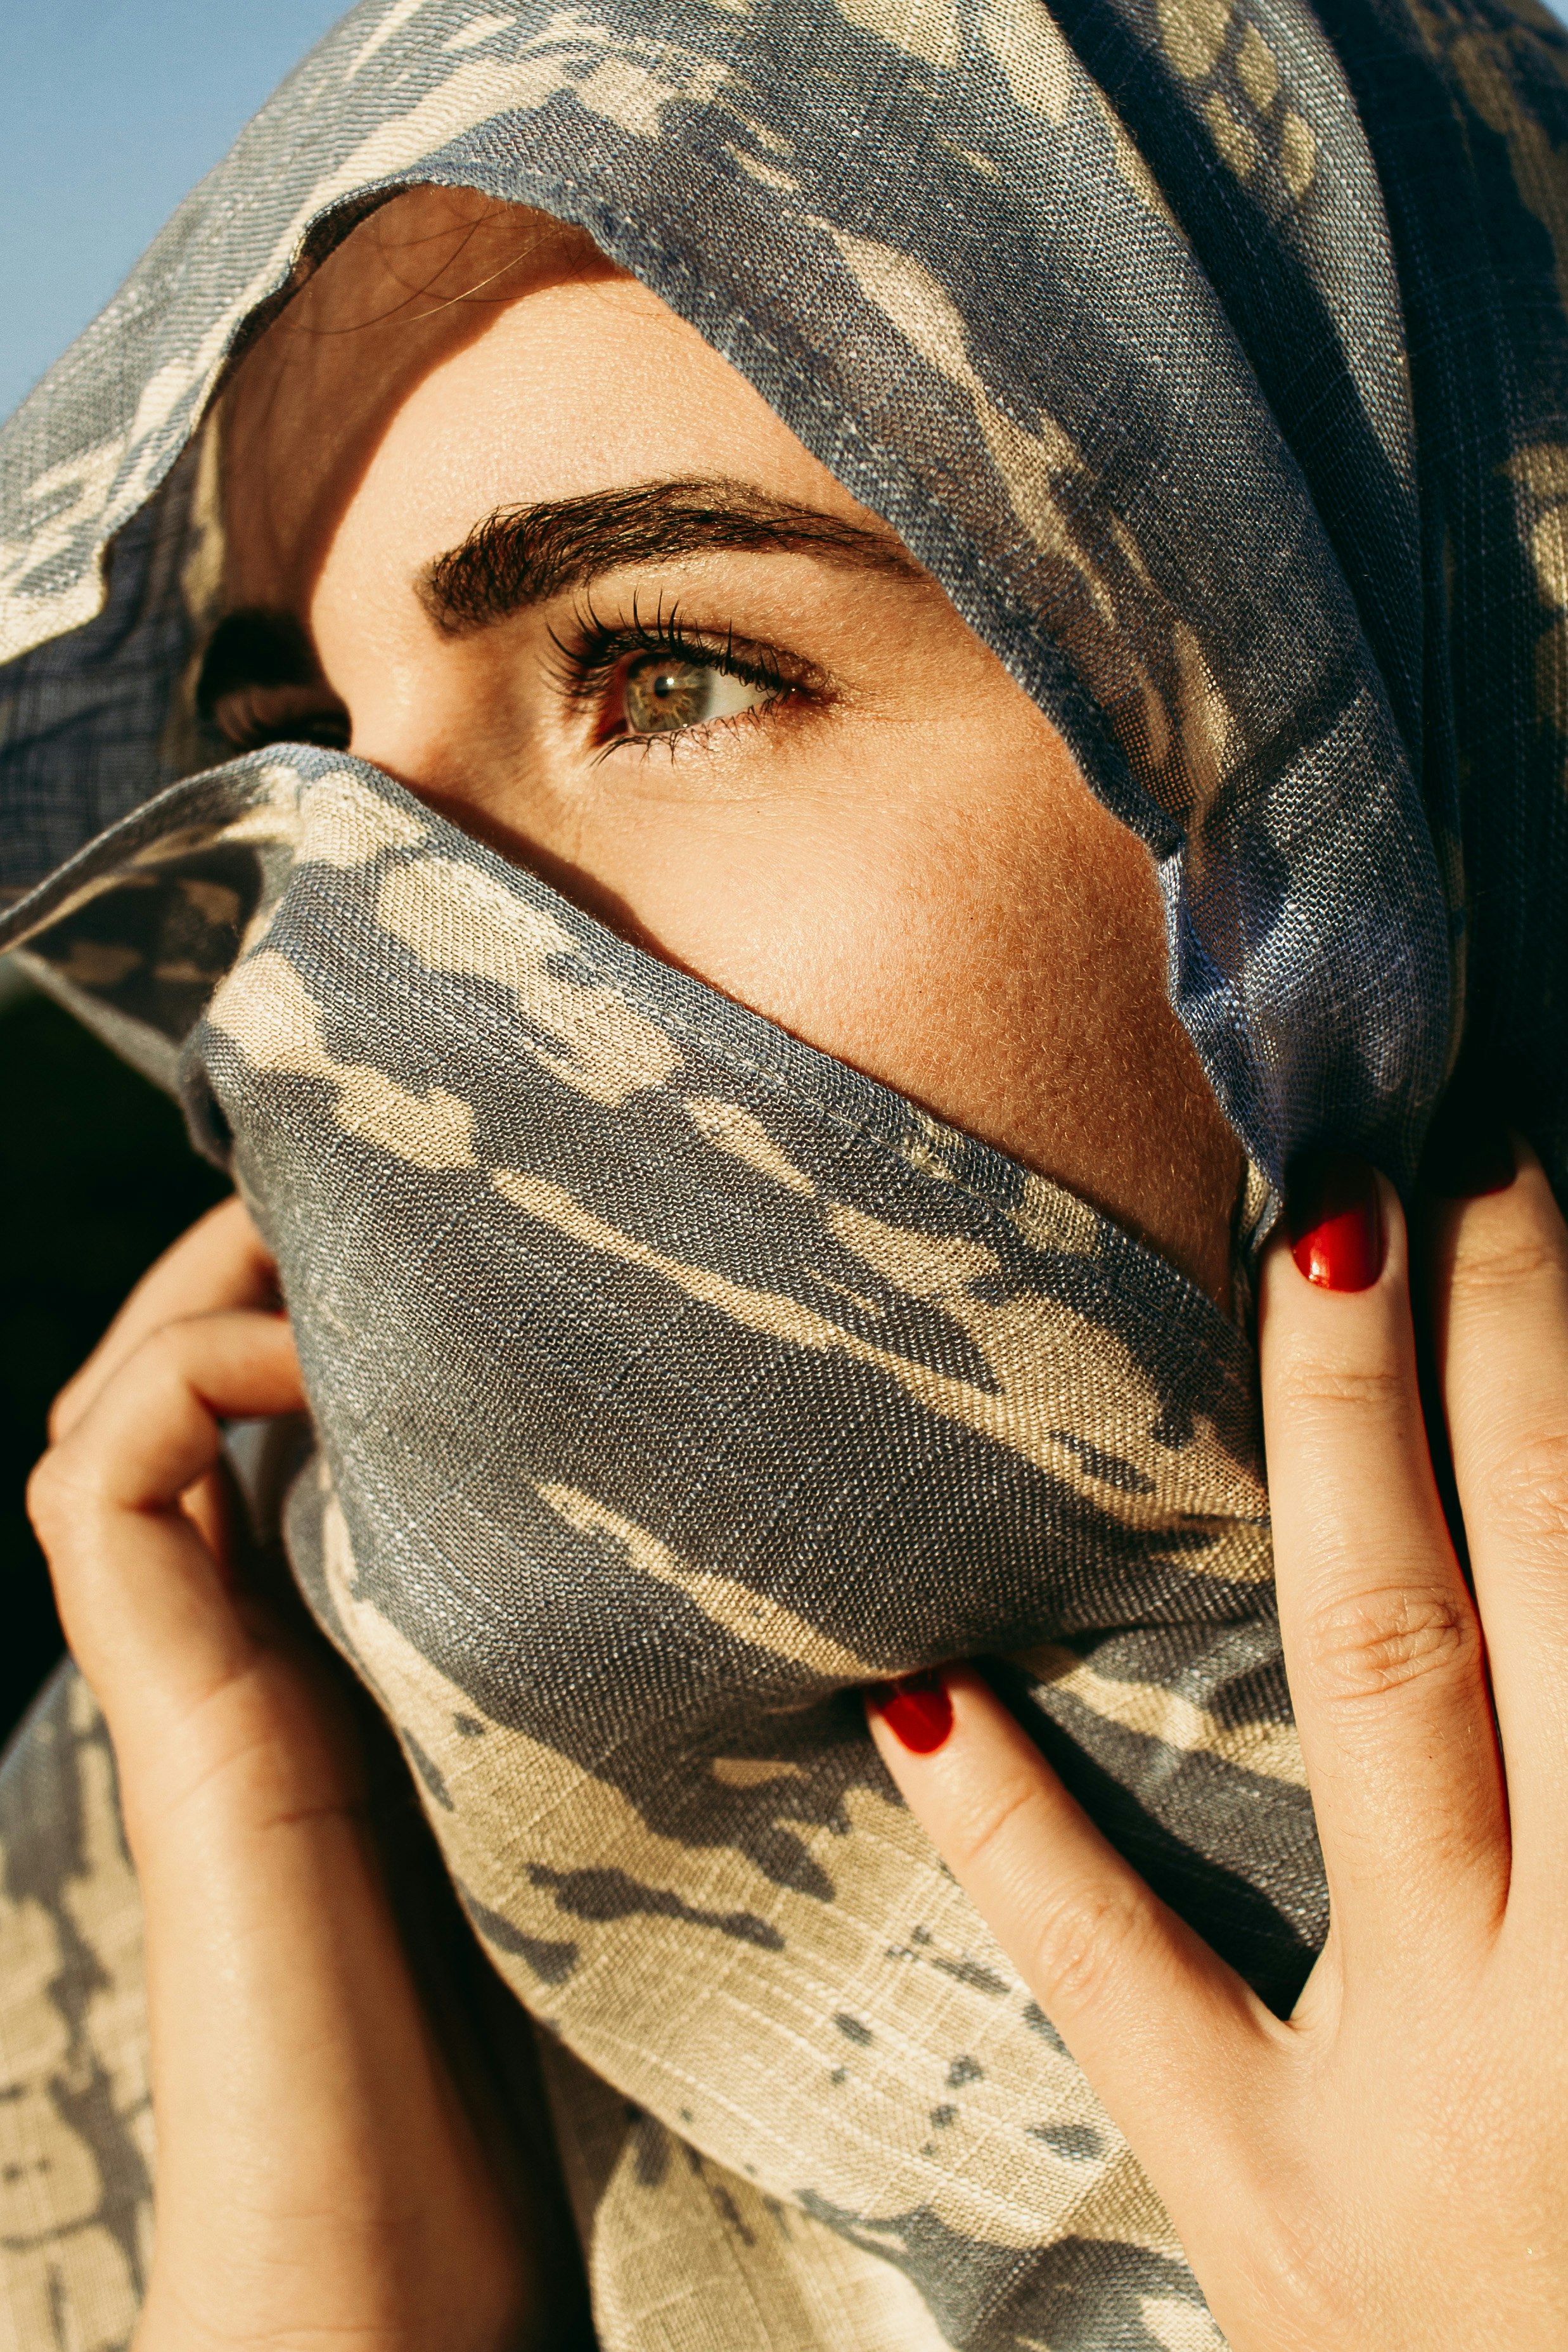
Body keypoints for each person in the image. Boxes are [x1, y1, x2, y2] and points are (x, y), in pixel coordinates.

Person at [2, 1, 1566, 2347]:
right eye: (299, 753)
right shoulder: (169, 1898)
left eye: (663, 671)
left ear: (1402, 732)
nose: (334, 975)